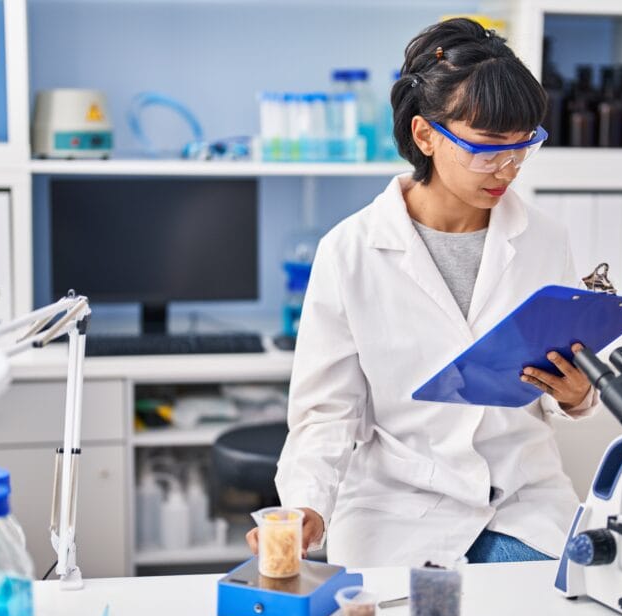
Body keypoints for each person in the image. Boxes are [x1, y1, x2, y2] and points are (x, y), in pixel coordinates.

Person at [247, 18, 597, 567]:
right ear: (426, 134)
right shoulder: (351, 250)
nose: (508, 167)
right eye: (487, 148)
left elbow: (563, 372)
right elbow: (327, 412)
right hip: (399, 505)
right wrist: (308, 504)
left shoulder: (545, 240)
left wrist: (577, 395)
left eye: (523, 145)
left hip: (522, 498)